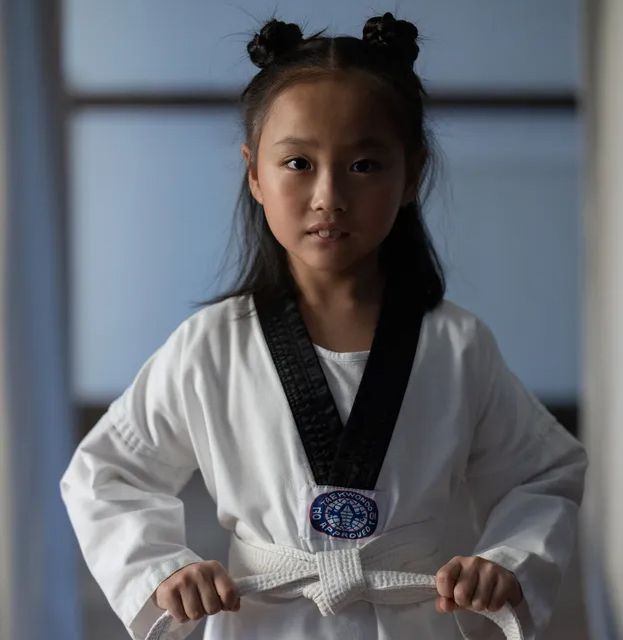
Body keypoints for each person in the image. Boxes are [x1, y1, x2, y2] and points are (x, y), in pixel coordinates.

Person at [60, 12, 588, 640]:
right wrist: (164, 570)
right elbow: (106, 473)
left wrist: (503, 563)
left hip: (412, 619)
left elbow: (543, 472)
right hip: (259, 621)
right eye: (298, 163)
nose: (328, 196)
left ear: (411, 174)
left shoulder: (456, 344)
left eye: (364, 166)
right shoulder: (211, 346)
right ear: (255, 172)